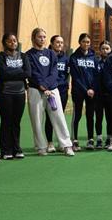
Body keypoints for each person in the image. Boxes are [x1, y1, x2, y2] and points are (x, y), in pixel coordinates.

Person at [26, 27, 75, 157]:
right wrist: (41, 86)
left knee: (59, 117)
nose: (42, 39)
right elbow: (32, 73)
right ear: (33, 38)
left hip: (52, 90)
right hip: (35, 89)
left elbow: (54, 72)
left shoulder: (51, 53)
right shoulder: (28, 55)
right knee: (37, 119)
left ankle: (66, 145)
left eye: (44, 37)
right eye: (39, 37)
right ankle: (41, 147)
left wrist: (47, 86)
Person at [0, 33, 30, 160]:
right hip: (5, 93)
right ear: (4, 43)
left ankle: (16, 148)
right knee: (6, 121)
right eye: (9, 41)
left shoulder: (23, 56)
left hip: (20, 93)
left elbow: (28, 73)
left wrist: (12, 73)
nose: (12, 43)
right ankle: (5, 150)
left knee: (16, 122)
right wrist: (20, 72)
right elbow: (3, 74)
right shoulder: (0, 57)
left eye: (14, 40)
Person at [69, 33, 99, 149]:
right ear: (79, 42)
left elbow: (97, 75)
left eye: (88, 42)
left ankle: (90, 140)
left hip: (91, 92)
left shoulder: (94, 57)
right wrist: (86, 89)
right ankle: (74, 140)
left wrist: (92, 89)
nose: (86, 44)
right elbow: (75, 77)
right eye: (83, 42)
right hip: (79, 91)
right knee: (77, 115)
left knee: (90, 116)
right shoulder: (74, 57)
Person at [43, 35, 71, 152]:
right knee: (50, 117)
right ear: (52, 43)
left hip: (62, 90)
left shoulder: (65, 58)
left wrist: (65, 84)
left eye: (61, 42)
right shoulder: (46, 57)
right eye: (57, 42)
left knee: (60, 117)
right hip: (50, 91)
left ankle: (61, 142)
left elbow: (67, 74)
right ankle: (49, 143)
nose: (60, 44)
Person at [92, 41, 111, 148]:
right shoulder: (96, 62)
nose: (105, 50)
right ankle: (99, 139)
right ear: (99, 50)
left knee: (109, 118)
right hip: (98, 95)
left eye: (107, 48)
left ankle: (108, 139)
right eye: (103, 48)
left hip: (109, 95)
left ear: (110, 50)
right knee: (99, 118)